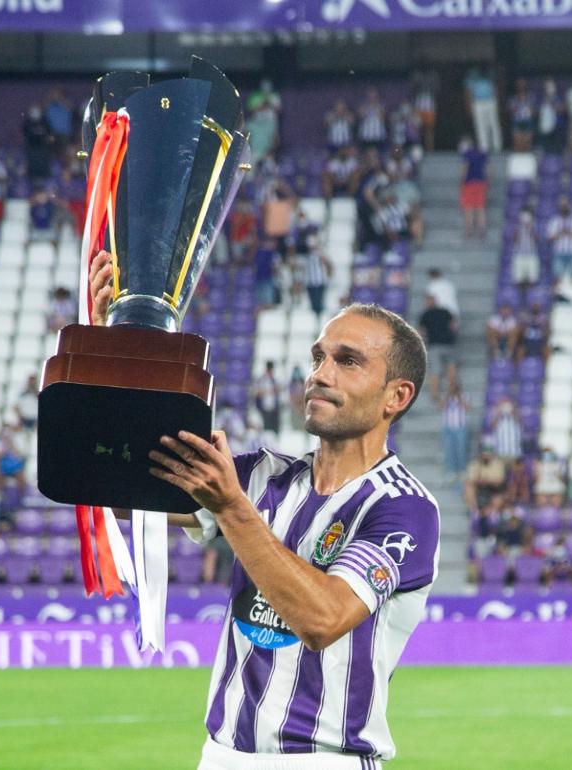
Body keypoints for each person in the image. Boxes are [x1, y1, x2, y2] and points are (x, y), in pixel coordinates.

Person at [91, 250, 438, 768]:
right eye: (318, 357)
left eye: (347, 361)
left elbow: (322, 620)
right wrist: (110, 350)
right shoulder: (262, 477)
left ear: (397, 396)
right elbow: (111, 483)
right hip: (222, 755)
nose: (320, 374)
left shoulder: (404, 507)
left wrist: (232, 510)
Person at [418, 294, 457, 403]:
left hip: (435, 345)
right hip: (448, 344)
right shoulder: (445, 312)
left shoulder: (425, 314)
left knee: (436, 371)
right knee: (451, 369)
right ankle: (449, 393)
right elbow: (454, 326)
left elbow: (421, 331)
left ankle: (435, 395)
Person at [546, 197, 572, 289]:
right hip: (559, 252)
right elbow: (550, 237)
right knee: (557, 275)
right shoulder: (554, 221)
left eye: (566, 205)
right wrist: (561, 232)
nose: (565, 208)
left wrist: (569, 231)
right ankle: (557, 296)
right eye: (563, 206)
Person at [464, 67, 501, 153]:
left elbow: (495, 88)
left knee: (493, 124)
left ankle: (497, 146)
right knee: (480, 125)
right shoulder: (472, 74)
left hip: (490, 101)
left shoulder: (489, 73)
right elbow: (468, 91)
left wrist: (497, 101)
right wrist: (469, 104)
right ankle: (484, 147)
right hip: (478, 102)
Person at [464, 439, 507, 512]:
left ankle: (490, 513)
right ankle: (475, 511)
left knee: (499, 497)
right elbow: (470, 479)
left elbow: (499, 481)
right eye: (484, 454)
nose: (486, 456)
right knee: (468, 489)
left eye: (488, 454)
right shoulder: (475, 464)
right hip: (479, 488)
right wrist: (480, 480)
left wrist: (487, 481)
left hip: (493, 489)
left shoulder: (498, 464)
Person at [458, 136, 488, 240]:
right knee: (480, 207)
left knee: (468, 208)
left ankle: (469, 230)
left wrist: (461, 181)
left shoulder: (467, 154)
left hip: (469, 183)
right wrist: (488, 181)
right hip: (481, 183)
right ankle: (482, 230)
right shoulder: (482, 154)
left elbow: (465, 168)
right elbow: (490, 169)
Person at [245, 79, 282, 163]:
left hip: (271, 122)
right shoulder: (256, 96)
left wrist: (269, 102)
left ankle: (269, 157)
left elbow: (278, 109)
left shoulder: (274, 96)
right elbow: (251, 108)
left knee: (270, 153)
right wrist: (263, 103)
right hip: (257, 124)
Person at [439, 380, 469, 483]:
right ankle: (451, 471)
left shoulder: (464, 396)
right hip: (448, 428)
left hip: (460, 427)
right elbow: (441, 406)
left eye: (454, 386)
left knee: (461, 450)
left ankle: (462, 470)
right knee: (449, 450)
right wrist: (448, 394)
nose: (453, 388)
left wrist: (459, 395)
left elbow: (467, 407)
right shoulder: (445, 396)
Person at [510, 207, 541, 296]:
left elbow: (537, 240)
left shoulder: (535, 226)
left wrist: (530, 229)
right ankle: (520, 298)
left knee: (532, 279)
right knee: (518, 279)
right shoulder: (517, 226)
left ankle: (531, 297)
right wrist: (520, 229)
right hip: (519, 255)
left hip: (531, 255)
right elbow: (515, 240)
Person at [412, 69, 439, 152]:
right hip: (419, 102)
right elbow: (413, 88)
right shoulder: (416, 74)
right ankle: (418, 148)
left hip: (429, 102)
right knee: (417, 128)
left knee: (429, 129)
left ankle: (429, 149)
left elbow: (437, 89)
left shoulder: (433, 75)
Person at [537, 78, 566, 154]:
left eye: (551, 86)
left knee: (558, 150)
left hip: (558, 127)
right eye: (548, 87)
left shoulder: (559, 98)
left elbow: (563, 109)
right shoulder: (541, 99)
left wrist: (552, 103)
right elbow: (536, 111)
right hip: (545, 129)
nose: (550, 89)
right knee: (546, 149)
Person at [507, 78, 536, 153]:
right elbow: (510, 111)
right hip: (517, 121)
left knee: (527, 141)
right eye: (519, 84)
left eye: (522, 84)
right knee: (517, 141)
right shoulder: (513, 98)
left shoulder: (530, 97)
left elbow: (533, 111)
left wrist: (529, 109)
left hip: (527, 120)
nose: (521, 86)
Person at [252, 361, 281, 434]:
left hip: (273, 408)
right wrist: (267, 391)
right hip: (263, 408)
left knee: (273, 428)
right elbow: (257, 392)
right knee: (265, 427)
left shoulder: (275, 379)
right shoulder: (261, 379)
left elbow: (279, 390)